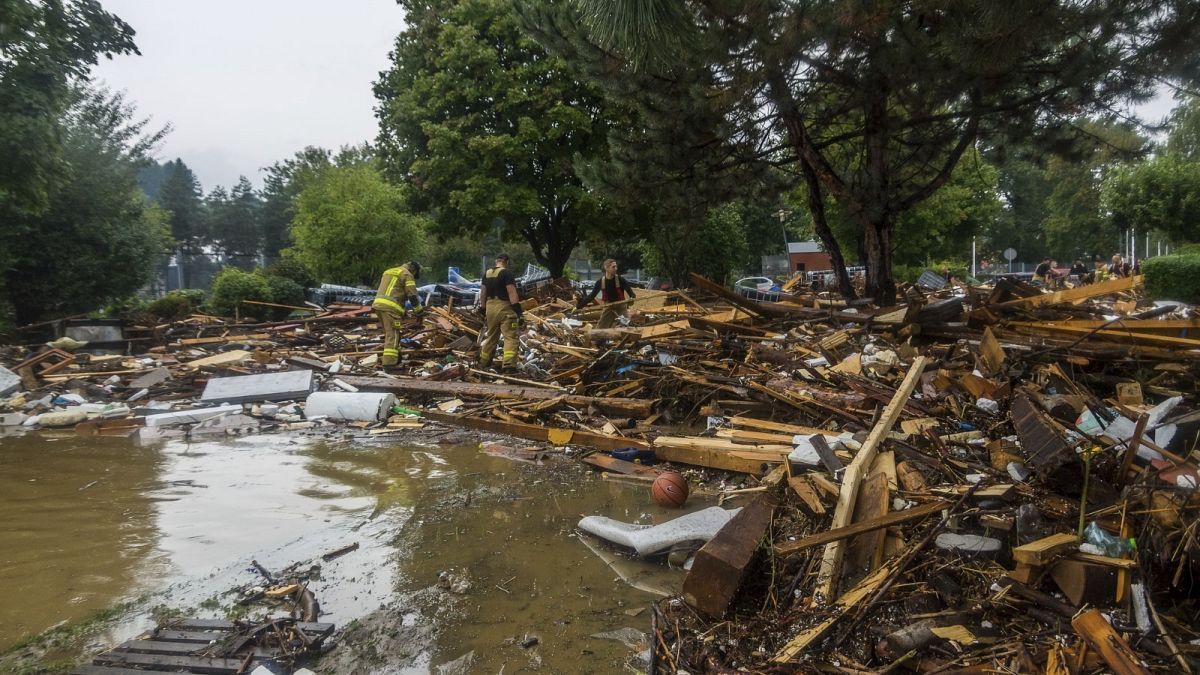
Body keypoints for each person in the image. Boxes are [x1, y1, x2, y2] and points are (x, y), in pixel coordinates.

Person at [372, 261, 422, 368]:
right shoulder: (407, 274)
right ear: (413, 270)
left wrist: (403, 312)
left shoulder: (388, 271)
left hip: (379, 305)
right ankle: (390, 364)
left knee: (390, 334)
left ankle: (396, 359)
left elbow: (393, 291)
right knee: (393, 335)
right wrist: (419, 311)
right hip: (390, 308)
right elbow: (412, 295)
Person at [478, 253, 523, 371]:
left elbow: (482, 293)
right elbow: (511, 292)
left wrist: (482, 309)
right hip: (504, 308)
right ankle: (508, 366)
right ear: (506, 262)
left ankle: (483, 363)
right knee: (510, 337)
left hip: (490, 308)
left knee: (491, 337)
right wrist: (518, 310)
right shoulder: (507, 273)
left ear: (496, 261)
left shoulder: (486, 274)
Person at [576, 259, 637, 329]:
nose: (616, 269)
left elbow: (631, 293)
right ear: (606, 268)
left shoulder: (620, 280)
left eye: (616, 267)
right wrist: (579, 306)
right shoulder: (600, 282)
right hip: (608, 307)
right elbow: (591, 296)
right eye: (613, 267)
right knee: (600, 328)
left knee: (627, 326)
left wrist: (632, 298)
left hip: (621, 307)